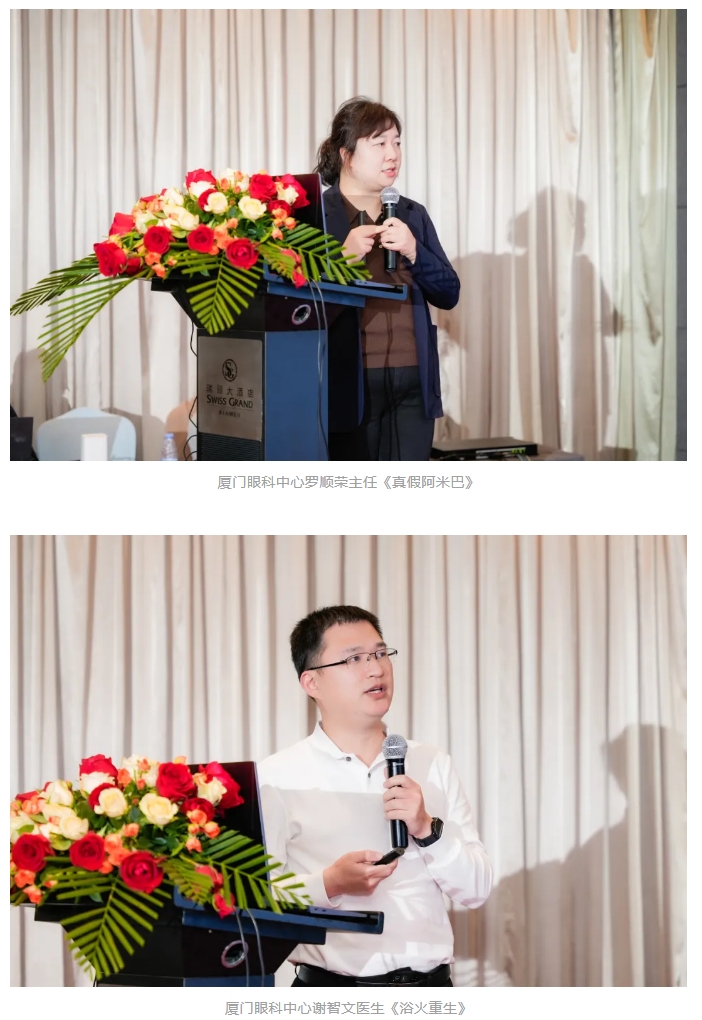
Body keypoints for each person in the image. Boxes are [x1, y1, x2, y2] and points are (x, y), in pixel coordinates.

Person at [257, 605, 492, 987]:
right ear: (312, 682)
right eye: (354, 659)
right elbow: (257, 898)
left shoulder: (431, 762)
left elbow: (476, 889)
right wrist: (330, 883)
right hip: (330, 993)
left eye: (381, 654)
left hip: (432, 992)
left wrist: (427, 829)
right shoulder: (276, 777)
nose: (376, 669)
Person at [315, 98, 460, 461]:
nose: (393, 154)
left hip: (413, 382)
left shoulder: (411, 213)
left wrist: (415, 251)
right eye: (379, 143)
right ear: (347, 154)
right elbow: (294, 306)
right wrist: (341, 260)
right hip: (348, 383)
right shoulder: (316, 215)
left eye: (396, 142)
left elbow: (449, 293)